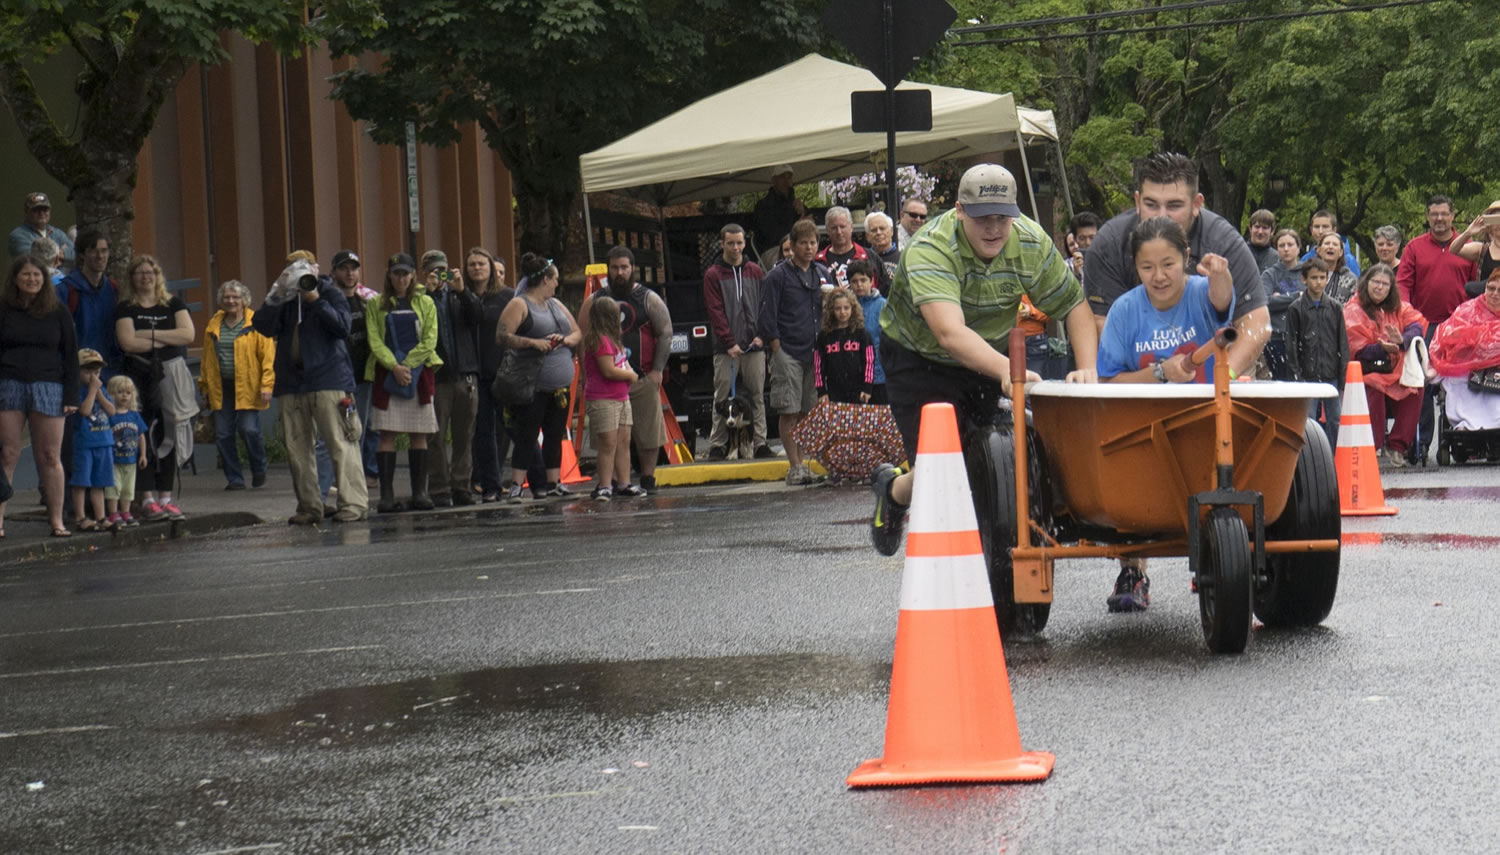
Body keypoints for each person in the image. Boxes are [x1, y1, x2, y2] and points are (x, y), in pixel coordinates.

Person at [870, 163, 1098, 556]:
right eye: (981, 219)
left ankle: (991, 555)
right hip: (919, 354)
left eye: (1002, 218)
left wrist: (1088, 367)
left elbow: (1074, 305)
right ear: (959, 211)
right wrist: (1008, 372)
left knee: (991, 456)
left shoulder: (1029, 242)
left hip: (986, 353)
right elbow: (949, 333)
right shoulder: (931, 247)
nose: (993, 229)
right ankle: (893, 491)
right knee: (940, 467)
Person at [1082, 153, 1268, 379]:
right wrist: (1157, 377)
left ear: (1197, 204)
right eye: (1151, 204)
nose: (1162, 215)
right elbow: (1101, 328)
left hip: (1218, 369)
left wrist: (1224, 378)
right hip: (1139, 378)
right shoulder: (1108, 244)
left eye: (1174, 205)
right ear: (1137, 201)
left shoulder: (1223, 241)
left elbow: (1256, 321)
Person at [253, 258, 368, 524]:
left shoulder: (331, 294)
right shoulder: (285, 301)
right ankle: (309, 506)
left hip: (329, 380)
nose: (299, 275)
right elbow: (262, 326)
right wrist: (275, 295)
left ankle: (354, 503)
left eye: (304, 268)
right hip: (292, 383)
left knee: (341, 443)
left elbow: (342, 327)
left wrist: (316, 299)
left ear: (316, 270)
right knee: (297, 449)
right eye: (292, 270)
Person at [577, 247, 671, 494]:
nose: (620, 272)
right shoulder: (594, 301)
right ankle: (611, 482)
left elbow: (665, 332)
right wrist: (585, 376)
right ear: (608, 269)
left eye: (624, 267)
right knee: (607, 439)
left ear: (633, 269)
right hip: (604, 387)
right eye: (615, 267)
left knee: (647, 434)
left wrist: (657, 371)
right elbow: (582, 338)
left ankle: (647, 478)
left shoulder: (648, 298)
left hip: (641, 377)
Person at [1097, 218, 1234, 386]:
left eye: (1168, 264)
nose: (1159, 277)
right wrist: (1161, 372)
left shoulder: (1202, 292)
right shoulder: (1123, 310)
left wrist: (1220, 273)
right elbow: (1106, 381)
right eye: (1147, 267)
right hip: (1146, 411)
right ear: (1135, 264)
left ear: (1186, 257)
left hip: (1208, 409)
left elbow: (1222, 298)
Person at [0, 256, 79, 538]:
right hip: (9, 384)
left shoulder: (58, 312)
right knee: (7, 453)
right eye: (26, 275)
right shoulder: (4, 310)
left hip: (50, 386)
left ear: (44, 279)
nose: (31, 279)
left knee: (49, 455)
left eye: (37, 275)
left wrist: (71, 395)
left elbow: (71, 356)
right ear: (16, 279)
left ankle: (57, 520)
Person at [114, 254, 197, 523]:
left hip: (171, 373)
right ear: (132, 278)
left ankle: (166, 498)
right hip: (138, 375)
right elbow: (127, 342)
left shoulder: (173, 303)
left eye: (150, 272)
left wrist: (148, 335)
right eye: (139, 273)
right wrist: (164, 336)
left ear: (157, 276)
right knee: (143, 433)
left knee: (169, 431)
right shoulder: (126, 307)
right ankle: (147, 498)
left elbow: (187, 335)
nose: (145, 277)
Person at [1397, 195, 1476, 464]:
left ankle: (1466, 440)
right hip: (1425, 326)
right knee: (1422, 386)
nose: (1439, 219)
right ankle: (1419, 445)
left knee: (1463, 382)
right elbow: (1403, 285)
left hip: (1460, 326)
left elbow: (1479, 284)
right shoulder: (1414, 248)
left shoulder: (1468, 248)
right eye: (1434, 214)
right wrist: (1407, 314)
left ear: (1453, 216)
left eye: (1444, 214)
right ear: (1428, 216)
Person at [496, 254, 581, 501]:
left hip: (559, 385)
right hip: (532, 385)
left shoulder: (556, 305)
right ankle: (517, 484)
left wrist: (564, 340)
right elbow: (502, 336)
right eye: (554, 279)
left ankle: (553, 482)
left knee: (555, 433)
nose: (557, 283)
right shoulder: (520, 305)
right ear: (545, 279)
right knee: (527, 434)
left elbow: (577, 332)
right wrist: (532, 342)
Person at [366, 253, 441, 513]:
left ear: (413, 275)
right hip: (387, 373)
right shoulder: (376, 303)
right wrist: (394, 367)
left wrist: (408, 365)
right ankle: (386, 496)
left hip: (419, 373)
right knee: (387, 433)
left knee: (418, 433)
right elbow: (374, 340)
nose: (401, 278)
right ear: (389, 275)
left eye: (406, 273)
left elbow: (430, 339)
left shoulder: (426, 302)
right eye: (396, 273)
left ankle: (420, 493)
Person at [760, 219, 830, 486]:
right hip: (787, 348)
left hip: (815, 350)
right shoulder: (777, 275)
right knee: (788, 408)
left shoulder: (822, 273)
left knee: (807, 410)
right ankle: (794, 465)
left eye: (813, 242)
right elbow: (767, 314)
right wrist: (775, 347)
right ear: (792, 245)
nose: (809, 247)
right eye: (803, 243)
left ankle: (804, 463)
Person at [419, 249, 484, 507]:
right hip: (437, 376)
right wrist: (429, 292)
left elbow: (478, 317)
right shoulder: (422, 299)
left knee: (464, 435)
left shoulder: (459, 295)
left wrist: (462, 291)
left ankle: (461, 486)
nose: (441, 275)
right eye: (435, 271)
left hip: (465, 373)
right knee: (435, 436)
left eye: (443, 269)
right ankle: (439, 488)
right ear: (425, 274)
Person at [1346, 263, 1426, 469]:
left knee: (1415, 387)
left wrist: (1402, 340)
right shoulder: (1354, 308)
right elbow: (1356, 348)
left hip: (1395, 368)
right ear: (1367, 283)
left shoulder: (1399, 306)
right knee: (1374, 385)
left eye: (1385, 284)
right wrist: (1382, 349)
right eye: (1376, 282)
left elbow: (1417, 325)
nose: (1380, 287)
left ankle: (1397, 447)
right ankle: (1372, 445)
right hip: (1368, 370)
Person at [703, 224, 771, 461]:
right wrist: (729, 341)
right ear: (722, 243)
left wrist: (762, 334)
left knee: (757, 395)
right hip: (726, 349)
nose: (735, 247)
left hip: (754, 344)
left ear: (745, 243)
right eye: (730, 243)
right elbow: (715, 311)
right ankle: (718, 443)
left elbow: (764, 305)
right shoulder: (713, 274)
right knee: (721, 396)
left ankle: (760, 441)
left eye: (739, 243)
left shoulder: (755, 271)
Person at [199, 280, 274, 491]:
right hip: (221, 387)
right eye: (227, 297)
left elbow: (267, 358)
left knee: (249, 429)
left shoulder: (255, 323)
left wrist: (266, 385)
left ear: (244, 300)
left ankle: (259, 469)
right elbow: (207, 359)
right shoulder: (214, 324)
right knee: (223, 434)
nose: (231, 301)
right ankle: (235, 478)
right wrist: (204, 389)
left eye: (235, 297)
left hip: (249, 385)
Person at [1284, 257, 1348, 449]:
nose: (1318, 282)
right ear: (1304, 280)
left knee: (1335, 418)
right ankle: (1309, 455)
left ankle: (1332, 454)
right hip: (1307, 375)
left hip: (1331, 372)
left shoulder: (1336, 308)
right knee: (1308, 419)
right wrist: (1296, 375)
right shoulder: (1296, 308)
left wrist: (1343, 374)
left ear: (1327, 279)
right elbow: (1291, 344)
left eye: (1322, 277)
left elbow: (1343, 343)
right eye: (1313, 278)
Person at [329, 250, 380, 487]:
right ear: (334, 272)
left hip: (364, 375)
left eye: (354, 268)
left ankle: (367, 471)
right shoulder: (328, 300)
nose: (350, 273)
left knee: (368, 425)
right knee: (347, 425)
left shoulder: (369, 299)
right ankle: (348, 475)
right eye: (344, 268)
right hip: (339, 377)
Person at [469, 249, 515, 502]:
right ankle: (488, 483)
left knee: (511, 428)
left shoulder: (508, 297)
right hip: (475, 373)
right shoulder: (462, 296)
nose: (478, 269)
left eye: (482, 265)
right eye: (472, 264)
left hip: (503, 371)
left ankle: (534, 479)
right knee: (483, 432)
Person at [581, 295, 638, 501]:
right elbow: (608, 370)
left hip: (621, 396)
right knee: (608, 443)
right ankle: (605, 485)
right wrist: (631, 375)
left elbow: (622, 362)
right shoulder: (600, 340)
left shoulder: (614, 339)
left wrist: (629, 372)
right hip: (603, 398)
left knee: (624, 441)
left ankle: (624, 482)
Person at [1429, 268, 1500, 430]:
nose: (1495, 294)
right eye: (1491, 288)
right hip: (1466, 370)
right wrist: (1477, 341)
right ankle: (1466, 425)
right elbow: (1448, 337)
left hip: (1496, 373)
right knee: (1458, 383)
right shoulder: (1468, 310)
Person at [57, 231, 118, 374]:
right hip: (77, 370)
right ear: (82, 255)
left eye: (104, 251)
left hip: (110, 369)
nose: (100, 256)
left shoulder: (114, 290)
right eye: (93, 251)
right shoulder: (65, 290)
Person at [69, 348, 115, 530]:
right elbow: (85, 411)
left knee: (99, 483)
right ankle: (80, 517)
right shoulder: (79, 390)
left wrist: (99, 392)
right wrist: (92, 391)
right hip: (85, 443)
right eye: (88, 372)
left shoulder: (100, 388)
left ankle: (101, 516)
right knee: (81, 481)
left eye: (97, 372)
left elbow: (111, 411)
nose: (93, 377)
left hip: (104, 441)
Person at [814, 288, 874, 404]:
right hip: (833, 392)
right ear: (831, 310)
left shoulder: (862, 334)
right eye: (838, 308)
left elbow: (869, 361)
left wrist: (867, 387)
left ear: (853, 309)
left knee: (858, 421)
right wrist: (821, 391)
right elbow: (818, 365)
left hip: (858, 391)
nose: (842, 312)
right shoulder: (824, 336)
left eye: (846, 308)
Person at [104, 375, 147, 530]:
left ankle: (126, 512)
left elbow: (141, 435)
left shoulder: (135, 415)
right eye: (120, 392)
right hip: (114, 460)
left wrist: (143, 455)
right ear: (111, 394)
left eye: (127, 393)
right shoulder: (110, 416)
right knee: (114, 488)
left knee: (128, 489)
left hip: (131, 460)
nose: (124, 396)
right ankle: (113, 512)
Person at [1261, 228, 1305, 380]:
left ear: (1298, 247)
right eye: (1281, 245)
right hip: (1277, 337)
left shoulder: (1307, 272)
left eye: (1290, 245)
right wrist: (1295, 296)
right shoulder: (1269, 274)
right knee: (1280, 383)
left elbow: (1309, 299)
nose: (1286, 249)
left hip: (1302, 336)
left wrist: (1279, 298)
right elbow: (1265, 301)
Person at [817, 206, 889, 294]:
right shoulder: (818, 262)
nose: (839, 232)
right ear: (827, 230)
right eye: (834, 228)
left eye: (842, 226)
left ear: (851, 227)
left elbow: (886, 290)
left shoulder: (870, 257)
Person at [849, 259, 888, 404]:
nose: (859, 285)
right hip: (853, 375)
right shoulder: (846, 307)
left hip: (879, 374)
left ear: (872, 281)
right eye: (855, 281)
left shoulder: (883, 305)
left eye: (863, 280)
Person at [753, 164, 805, 258]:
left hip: (797, 247)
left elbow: (811, 225)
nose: (786, 181)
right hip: (773, 249)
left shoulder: (795, 203)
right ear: (773, 180)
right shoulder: (763, 205)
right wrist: (798, 227)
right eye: (782, 177)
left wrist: (803, 212)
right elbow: (771, 235)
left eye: (789, 177)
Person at [9, 192, 74, 266]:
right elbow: (32, 259)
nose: (41, 213)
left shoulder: (57, 233)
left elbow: (76, 253)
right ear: (26, 212)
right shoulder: (17, 235)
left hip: (61, 277)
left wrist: (62, 254)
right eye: (36, 210)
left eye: (45, 209)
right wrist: (60, 253)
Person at [1446, 200, 1500, 281]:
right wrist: (1468, 232)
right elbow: (1453, 249)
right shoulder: (1482, 249)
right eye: (1495, 220)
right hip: (1488, 293)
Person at [1300, 209, 1361, 277]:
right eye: (1317, 227)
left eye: (1325, 227)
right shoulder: (1306, 259)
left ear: (1334, 230)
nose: (1320, 231)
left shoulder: (1349, 260)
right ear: (1311, 230)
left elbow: (1357, 286)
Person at [1318, 233, 1358, 304]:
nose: (1330, 247)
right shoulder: (1308, 274)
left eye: (1335, 244)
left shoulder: (1350, 280)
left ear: (1341, 252)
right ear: (1319, 250)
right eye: (1327, 243)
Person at [864, 211, 901, 287]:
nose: (878, 233)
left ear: (891, 231)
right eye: (873, 230)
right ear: (867, 236)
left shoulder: (903, 258)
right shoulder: (863, 259)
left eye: (882, 228)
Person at [1065, 211, 1101, 282]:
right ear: (1075, 239)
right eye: (1082, 238)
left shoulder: (1109, 262)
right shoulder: (1066, 267)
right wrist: (1076, 274)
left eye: (1092, 237)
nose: (1088, 243)